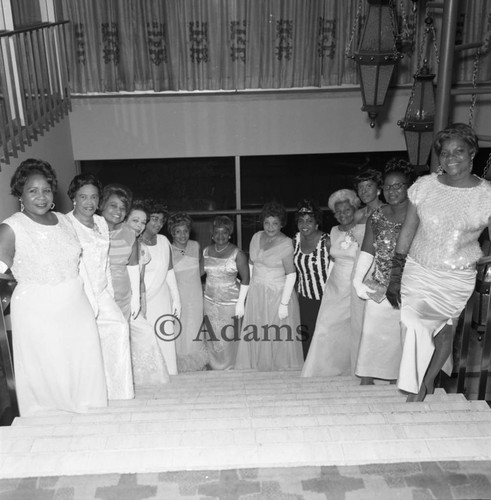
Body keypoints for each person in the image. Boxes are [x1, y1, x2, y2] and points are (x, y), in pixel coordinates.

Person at [387, 123, 491, 401]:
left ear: (472, 153)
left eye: (459, 151)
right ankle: (415, 383)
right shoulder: (425, 186)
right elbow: (408, 229)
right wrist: (395, 274)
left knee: (445, 331)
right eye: (445, 153)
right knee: (411, 324)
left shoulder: (487, 195)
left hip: (456, 278)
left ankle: (423, 384)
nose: (451, 157)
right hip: (419, 270)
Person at [0, 159, 107, 415]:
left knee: (82, 364)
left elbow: (80, 265)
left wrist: (91, 301)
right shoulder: (11, 227)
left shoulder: (64, 220)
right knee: (49, 370)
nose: (40, 196)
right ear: (20, 195)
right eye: (32, 190)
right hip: (37, 311)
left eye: (46, 190)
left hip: (76, 305)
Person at [66, 174, 133, 400]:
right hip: (79, 293)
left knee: (119, 329)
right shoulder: (66, 224)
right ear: (73, 198)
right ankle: (89, 392)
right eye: (83, 196)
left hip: (102, 292)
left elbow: (104, 262)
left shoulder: (102, 223)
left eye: (94, 197)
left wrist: (110, 294)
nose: (89, 202)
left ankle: (118, 392)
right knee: (85, 343)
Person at [353, 159, 414, 385]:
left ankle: (399, 385)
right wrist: (358, 282)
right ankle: (366, 386)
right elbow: (367, 252)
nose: (392, 191)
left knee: (403, 342)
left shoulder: (419, 216)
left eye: (398, 186)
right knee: (371, 339)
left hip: (410, 289)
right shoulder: (376, 216)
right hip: (379, 287)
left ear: (409, 187)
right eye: (388, 187)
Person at [302, 189, 364, 377]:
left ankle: (355, 368)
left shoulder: (363, 230)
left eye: (347, 210)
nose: (342, 215)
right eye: (338, 212)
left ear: (354, 209)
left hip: (355, 284)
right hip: (335, 286)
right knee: (326, 327)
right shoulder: (334, 231)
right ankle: (322, 369)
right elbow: (332, 260)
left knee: (355, 328)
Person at [235, 202, 303, 371]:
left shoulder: (286, 243)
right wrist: (244, 296)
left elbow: (291, 274)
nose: (270, 227)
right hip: (257, 292)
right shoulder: (257, 237)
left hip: (277, 294)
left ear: (282, 224)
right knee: (258, 332)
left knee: (276, 334)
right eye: (267, 223)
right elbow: (251, 265)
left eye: (275, 223)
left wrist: (284, 303)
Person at [126, 201, 170, 386]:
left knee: (143, 335)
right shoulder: (115, 238)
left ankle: (143, 379)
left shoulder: (140, 245)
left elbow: (140, 277)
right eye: (135, 220)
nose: (140, 226)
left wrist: (139, 301)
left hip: (134, 296)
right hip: (116, 295)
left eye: (142, 222)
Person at [202, 215, 250, 370]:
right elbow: (197, 273)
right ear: (212, 234)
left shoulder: (238, 253)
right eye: (217, 232)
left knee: (228, 337)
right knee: (212, 336)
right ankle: (213, 366)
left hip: (231, 303)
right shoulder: (206, 251)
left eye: (224, 232)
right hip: (209, 301)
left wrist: (240, 304)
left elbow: (246, 279)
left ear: (230, 234)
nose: (220, 236)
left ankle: (230, 366)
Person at [141, 201, 181, 375]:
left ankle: (169, 373)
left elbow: (169, 270)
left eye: (161, 221)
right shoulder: (135, 241)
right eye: (154, 219)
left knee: (164, 336)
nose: (158, 224)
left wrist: (176, 299)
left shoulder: (164, 241)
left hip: (162, 298)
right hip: (142, 299)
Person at [168, 212, 208, 372]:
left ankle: (197, 363)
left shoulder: (195, 246)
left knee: (195, 329)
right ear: (172, 232)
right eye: (178, 231)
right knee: (179, 330)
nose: (182, 235)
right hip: (178, 297)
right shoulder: (168, 249)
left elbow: (200, 269)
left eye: (185, 231)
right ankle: (179, 364)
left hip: (196, 297)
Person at [292, 199, 331, 359]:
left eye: (309, 220)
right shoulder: (295, 240)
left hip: (326, 299)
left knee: (324, 340)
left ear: (317, 223)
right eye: (301, 221)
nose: (304, 224)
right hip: (304, 298)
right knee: (306, 339)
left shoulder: (327, 241)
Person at [101, 184, 141, 324]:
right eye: (113, 205)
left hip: (123, 297)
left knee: (121, 341)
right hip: (99, 298)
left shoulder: (130, 233)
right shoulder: (91, 230)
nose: (118, 211)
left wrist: (135, 299)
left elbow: (133, 267)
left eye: (123, 208)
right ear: (102, 204)